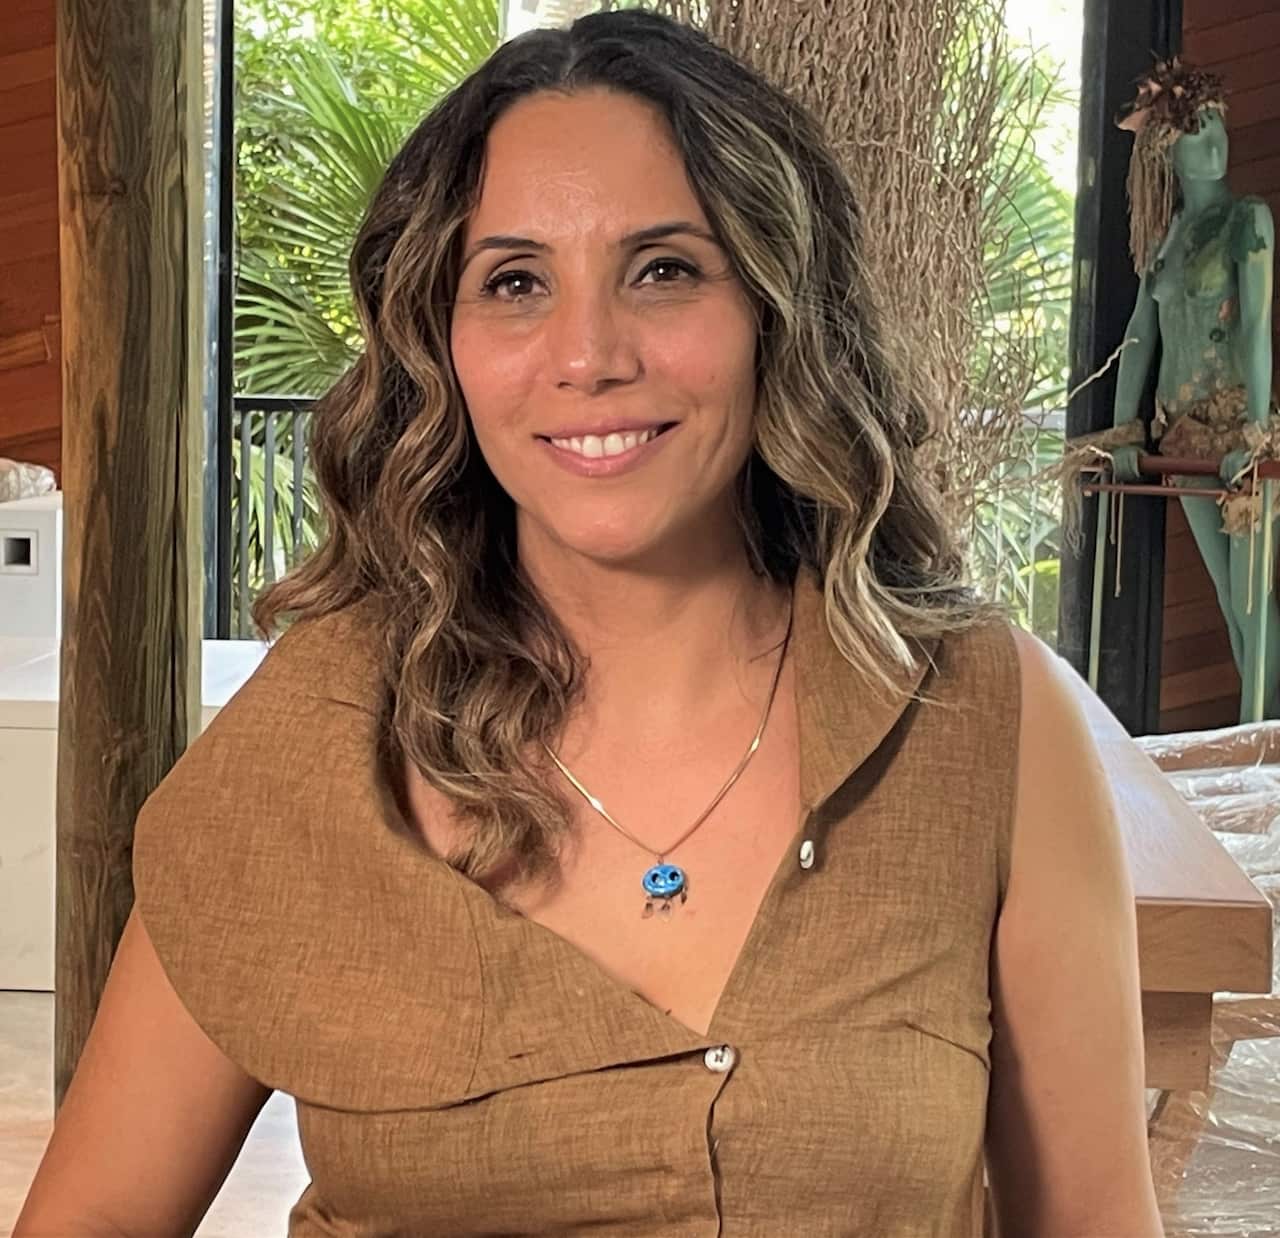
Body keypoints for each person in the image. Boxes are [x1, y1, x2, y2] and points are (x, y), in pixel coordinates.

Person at [17, 9, 1162, 1236]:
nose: (586, 354)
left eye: (663, 268)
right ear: (439, 342)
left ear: (775, 306)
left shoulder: (982, 719)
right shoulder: (313, 742)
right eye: (514, 282)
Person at [1110, 57, 1279, 720]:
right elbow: (1138, 340)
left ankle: (1256, 742)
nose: (1214, 143)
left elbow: (1256, 330)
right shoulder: (1166, 240)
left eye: (1219, 127)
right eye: (1198, 130)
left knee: (1252, 600)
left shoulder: (1250, 221)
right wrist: (1125, 431)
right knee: (1227, 600)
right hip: (1181, 437)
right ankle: (1259, 742)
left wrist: (1256, 435)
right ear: (1169, 148)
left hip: (1239, 425)